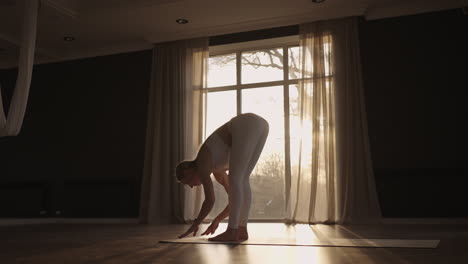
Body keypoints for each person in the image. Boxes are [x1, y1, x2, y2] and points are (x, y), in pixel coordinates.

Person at [176, 113, 269, 242]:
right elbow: (234, 199)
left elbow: (210, 200)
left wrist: (195, 224)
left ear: (187, 170)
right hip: (262, 125)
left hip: (247, 123)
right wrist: (217, 220)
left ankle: (232, 231)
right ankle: (241, 230)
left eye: (187, 182)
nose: (192, 186)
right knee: (242, 179)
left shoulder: (202, 163)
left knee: (236, 178)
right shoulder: (216, 171)